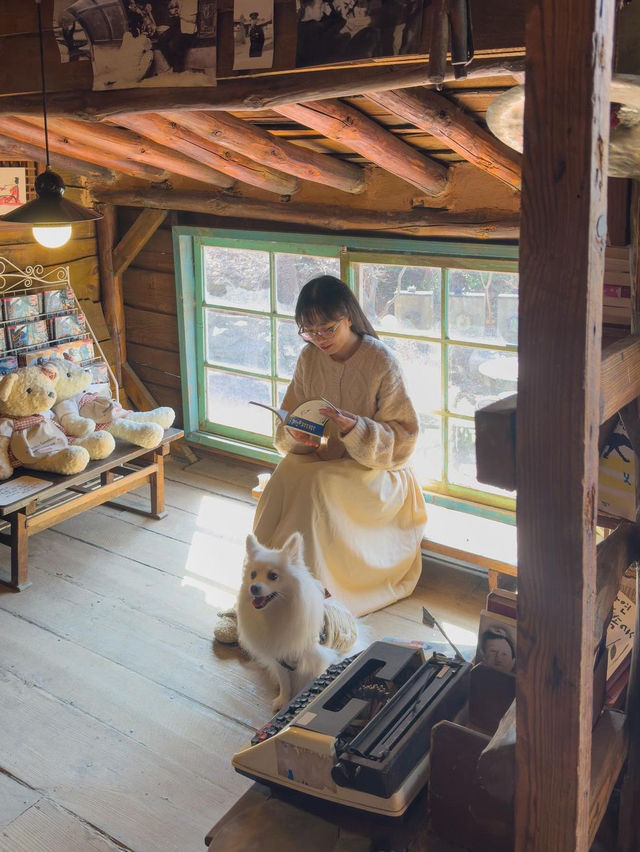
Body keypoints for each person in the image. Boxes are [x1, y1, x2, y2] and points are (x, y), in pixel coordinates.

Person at [215, 275, 427, 643]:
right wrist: (297, 434)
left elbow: (404, 440)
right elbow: (289, 416)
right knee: (287, 471)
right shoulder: (310, 357)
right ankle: (254, 598)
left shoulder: (381, 361)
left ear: (348, 317)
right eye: (308, 331)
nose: (319, 338)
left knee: (314, 484)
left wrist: (355, 427)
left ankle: (308, 605)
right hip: (325, 458)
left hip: (377, 471)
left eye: (326, 328)